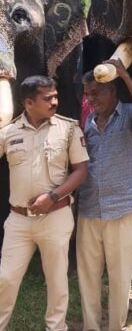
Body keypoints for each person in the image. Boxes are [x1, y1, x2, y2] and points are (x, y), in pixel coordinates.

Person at [0, 75, 89, 331]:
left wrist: (52, 197)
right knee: (5, 278)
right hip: (18, 220)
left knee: (57, 280)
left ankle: (56, 327)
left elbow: (81, 171)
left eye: (55, 96)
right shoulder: (8, 132)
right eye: (47, 98)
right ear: (29, 102)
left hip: (56, 217)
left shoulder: (69, 128)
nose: (54, 102)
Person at [77, 59, 132, 331]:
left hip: (121, 209)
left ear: (114, 92)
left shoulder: (130, 117)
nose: (92, 99)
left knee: (120, 277)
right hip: (89, 210)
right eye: (88, 94)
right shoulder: (86, 123)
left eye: (97, 92)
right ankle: (91, 326)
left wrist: (125, 75)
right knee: (88, 276)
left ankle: (115, 328)